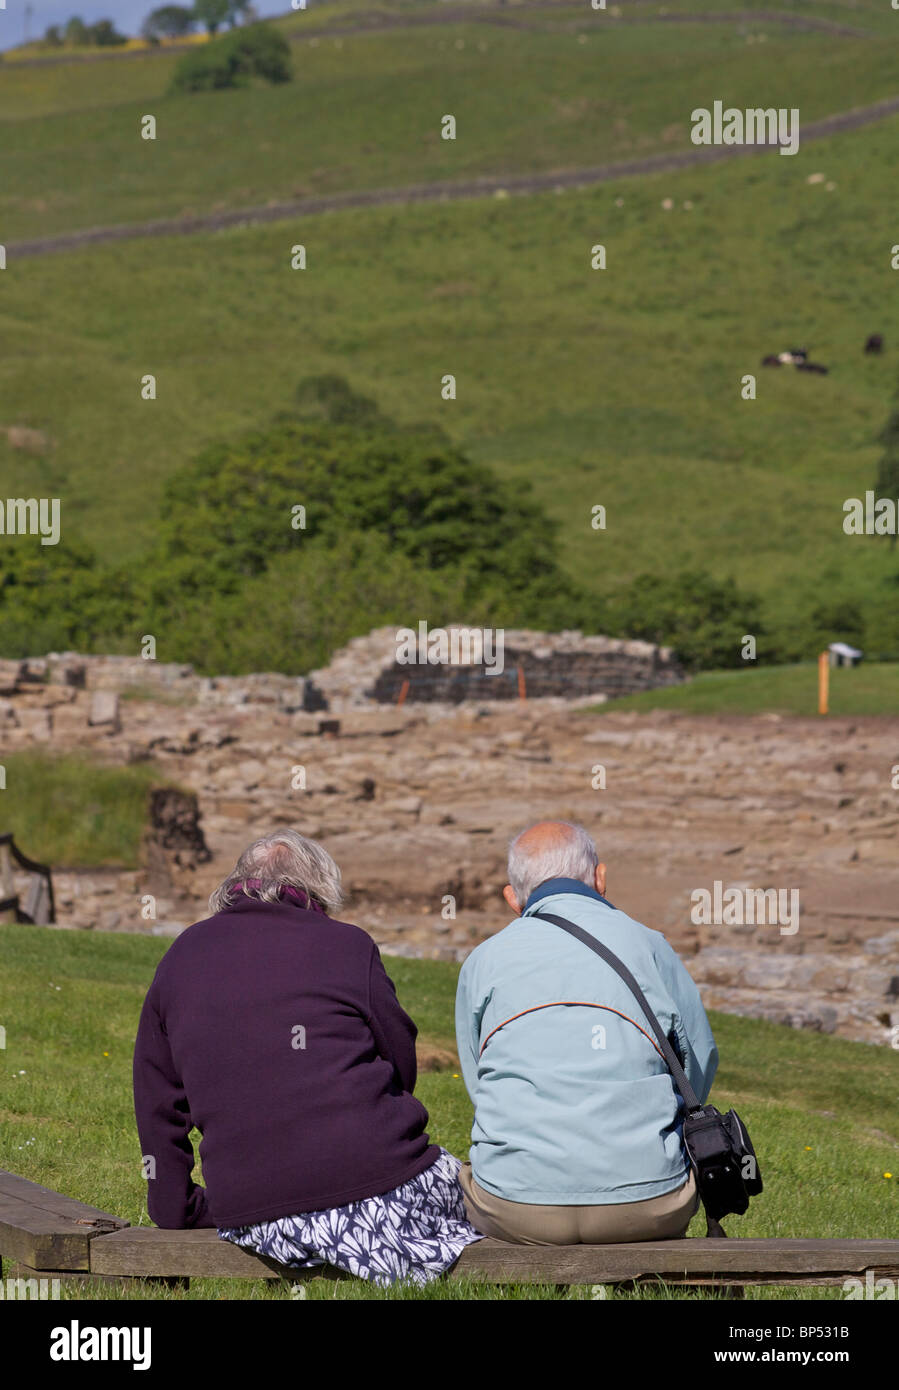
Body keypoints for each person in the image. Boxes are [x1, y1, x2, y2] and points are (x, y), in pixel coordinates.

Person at [133, 829, 482, 1287]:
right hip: (380, 1186)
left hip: (253, 1215)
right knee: (482, 1196)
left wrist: (173, 1208)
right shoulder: (349, 946)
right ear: (318, 890)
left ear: (236, 884)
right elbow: (398, 1058)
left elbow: (156, 1097)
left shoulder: (181, 956)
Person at [454, 820, 718, 1244]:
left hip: (515, 1207)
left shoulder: (483, 961)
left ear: (512, 898)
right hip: (650, 1203)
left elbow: (478, 1079)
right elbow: (698, 1063)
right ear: (600, 878)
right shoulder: (649, 945)